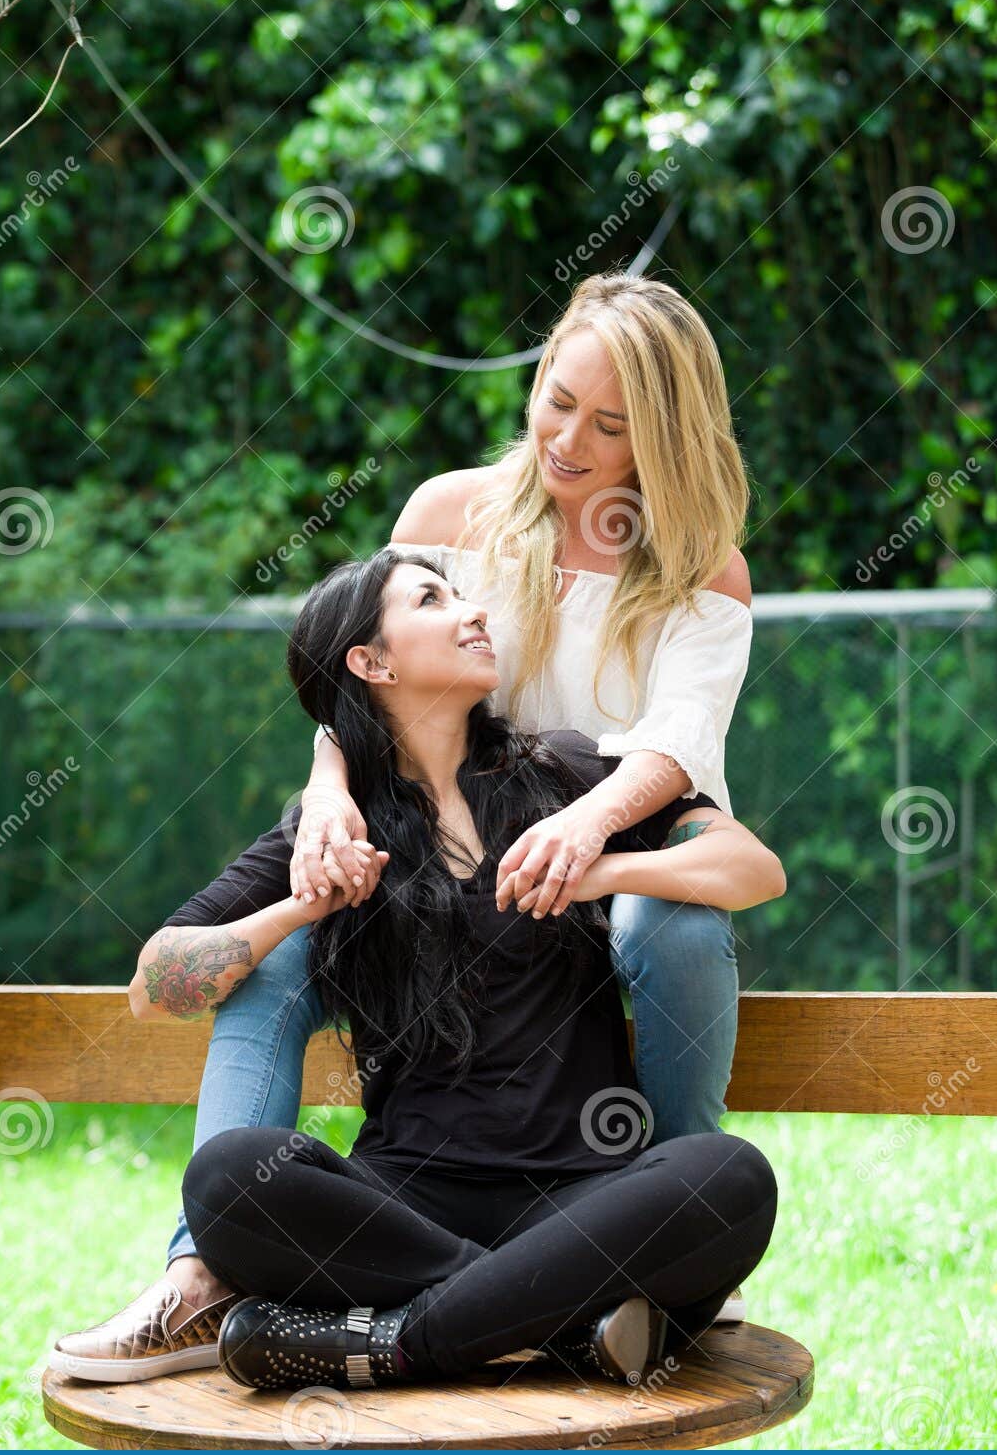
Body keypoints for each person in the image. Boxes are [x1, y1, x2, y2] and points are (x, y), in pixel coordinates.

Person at [51, 271, 759, 1380]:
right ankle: (210, 1276)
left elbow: (681, 763)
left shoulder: (690, 585)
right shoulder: (445, 518)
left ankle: (621, 1260)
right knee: (269, 1008)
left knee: (679, 959)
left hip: (578, 879)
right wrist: (326, 803)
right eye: (556, 397)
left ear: (662, 437)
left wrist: (585, 847)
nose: (567, 438)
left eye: (611, 425)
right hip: (416, 938)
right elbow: (356, 680)